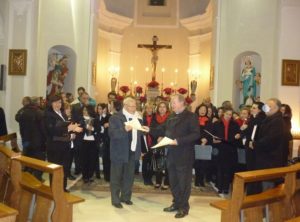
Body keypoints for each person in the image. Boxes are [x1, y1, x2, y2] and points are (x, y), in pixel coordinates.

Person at [150, 94, 200, 218]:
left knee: (184, 182)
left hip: (184, 155)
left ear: (182, 103)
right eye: (171, 103)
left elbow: (195, 134)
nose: (171, 105)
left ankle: (184, 207)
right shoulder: (171, 116)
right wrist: (148, 129)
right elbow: (162, 129)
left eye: (173, 103)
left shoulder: (191, 116)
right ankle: (176, 203)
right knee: (173, 181)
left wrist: (178, 141)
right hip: (171, 155)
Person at [109, 97, 149, 208]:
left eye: (135, 106)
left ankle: (126, 197)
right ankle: (115, 199)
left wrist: (144, 131)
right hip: (119, 151)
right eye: (132, 106)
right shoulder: (115, 117)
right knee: (116, 176)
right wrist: (124, 129)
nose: (134, 108)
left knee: (129, 176)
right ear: (125, 106)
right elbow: (112, 134)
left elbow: (140, 135)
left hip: (132, 150)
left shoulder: (138, 118)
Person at [249, 98, 289, 193]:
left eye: (268, 106)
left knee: (267, 190)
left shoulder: (277, 122)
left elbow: (270, 140)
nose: (265, 108)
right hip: (264, 160)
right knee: (260, 187)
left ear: (276, 108)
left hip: (269, 161)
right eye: (265, 106)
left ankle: (266, 207)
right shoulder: (270, 119)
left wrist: (255, 144)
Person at [44, 95, 82, 192]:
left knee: (64, 168)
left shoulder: (62, 113)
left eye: (60, 102)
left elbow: (66, 127)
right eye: (55, 102)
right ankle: (55, 189)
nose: (58, 104)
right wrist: (68, 129)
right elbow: (51, 130)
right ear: (50, 103)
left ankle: (63, 188)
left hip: (65, 145)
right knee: (55, 169)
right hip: (54, 146)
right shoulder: (48, 114)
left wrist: (72, 131)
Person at [15, 97, 47, 181]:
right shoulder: (39, 113)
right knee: (40, 161)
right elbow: (43, 129)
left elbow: (17, 118)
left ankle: (27, 177)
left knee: (27, 159)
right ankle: (36, 179)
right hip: (38, 142)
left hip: (25, 140)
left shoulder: (22, 112)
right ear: (37, 103)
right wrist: (46, 139)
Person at [212, 108, 241, 197]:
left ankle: (225, 188)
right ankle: (220, 187)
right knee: (220, 168)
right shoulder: (217, 123)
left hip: (230, 149)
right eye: (227, 114)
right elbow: (213, 136)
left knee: (228, 169)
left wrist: (238, 136)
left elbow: (238, 136)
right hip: (220, 148)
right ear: (223, 114)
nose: (229, 116)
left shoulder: (235, 124)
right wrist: (213, 140)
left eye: (230, 114)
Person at [151, 101, 170, 190]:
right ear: (157, 108)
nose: (162, 108)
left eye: (164, 107)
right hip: (156, 142)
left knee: (167, 163)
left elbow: (171, 130)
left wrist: (163, 137)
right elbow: (151, 129)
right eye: (160, 107)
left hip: (167, 142)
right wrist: (157, 136)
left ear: (167, 108)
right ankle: (158, 181)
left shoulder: (170, 117)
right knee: (157, 163)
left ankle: (166, 182)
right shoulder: (154, 118)